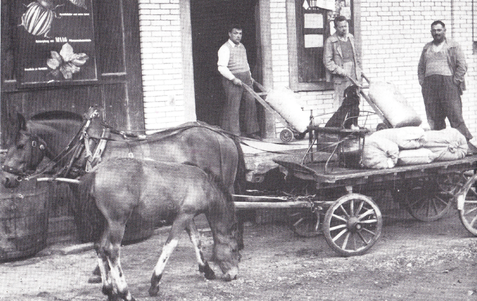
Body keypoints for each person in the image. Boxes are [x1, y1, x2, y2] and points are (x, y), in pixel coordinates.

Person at [418, 20, 476, 154]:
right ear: (431, 32)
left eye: (439, 30)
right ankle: (442, 149)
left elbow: (462, 66)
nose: (436, 33)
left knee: (455, 116)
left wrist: (455, 82)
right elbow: (421, 67)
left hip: (448, 85)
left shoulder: (453, 46)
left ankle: (466, 145)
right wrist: (423, 82)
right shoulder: (427, 47)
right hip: (430, 87)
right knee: (435, 118)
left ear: (444, 31)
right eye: (434, 30)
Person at [217, 24, 260, 139]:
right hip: (232, 79)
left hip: (246, 78)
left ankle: (252, 131)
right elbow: (221, 67)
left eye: (240, 33)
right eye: (235, 33)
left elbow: (245, 63)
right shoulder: (224, 48)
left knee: (251, 102)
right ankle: (234, 134)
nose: (238, 36)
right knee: (233, 106)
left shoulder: (242, 47)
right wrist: (233, 78)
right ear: (229, 34)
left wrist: (250, 76)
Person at [323, 15, 362, 110]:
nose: (344, 29)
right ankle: (340, 125)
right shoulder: (330, 41)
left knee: (355, 102)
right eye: (341, 27)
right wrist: (340, 70)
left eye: (345, 26)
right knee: (341, 104)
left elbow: (356, 57)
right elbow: (327, 61)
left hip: (353, 76)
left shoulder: (351, 38)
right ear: (335, 28)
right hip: (341, 78)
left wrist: (359, 71)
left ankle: (353, 124)